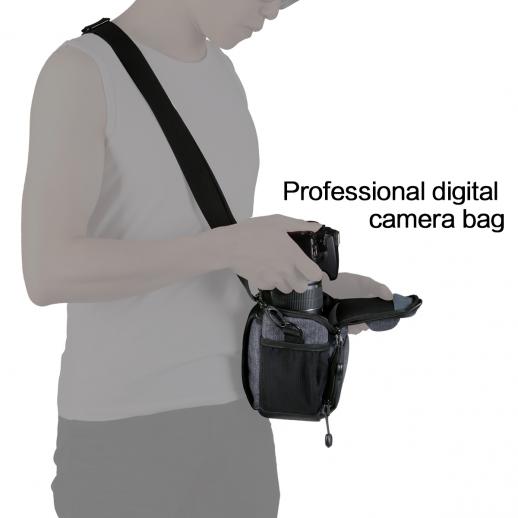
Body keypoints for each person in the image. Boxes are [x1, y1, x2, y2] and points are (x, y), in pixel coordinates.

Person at [21, 1, 392, 516]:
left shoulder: (224, 76)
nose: (276, 8)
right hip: (124, 436)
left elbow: (216, 262)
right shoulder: (82, 71)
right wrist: (229, 246)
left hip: (240, 422)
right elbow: (48, 270)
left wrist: (316, 294)